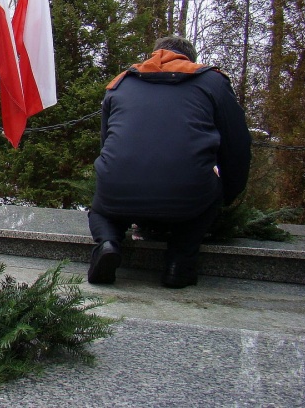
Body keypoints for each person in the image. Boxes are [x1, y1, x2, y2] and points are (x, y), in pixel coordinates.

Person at [87, 36, 251, 288]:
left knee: (101, 209)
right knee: (208, 195)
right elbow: (237, 146)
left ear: (154, 55)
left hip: (117, 188)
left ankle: (108, 243)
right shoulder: (213, 82)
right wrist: (227, 195)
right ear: (189, 59)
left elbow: (106, 143)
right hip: (186, 196)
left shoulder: (120, 84)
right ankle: (179, 263)